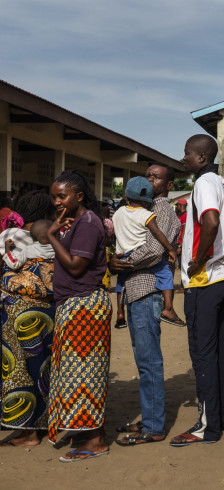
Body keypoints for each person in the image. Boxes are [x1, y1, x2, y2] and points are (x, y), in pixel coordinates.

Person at [169, 134, 224, 446]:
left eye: (187, 153)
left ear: (201, 157)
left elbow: (211, 222)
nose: (184, 158)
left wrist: (198, 260)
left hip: (206, 277)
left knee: (202, 353)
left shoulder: (204, 183)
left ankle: (206, 426)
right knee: (219, 351)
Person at [110, 163, 181, 446]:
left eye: (156, 177)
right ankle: (151, 417)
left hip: (145, 288)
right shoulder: (139, 210)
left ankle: (154, 427)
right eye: (148, 175)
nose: (150, 180)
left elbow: (154, 250)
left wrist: (121, 263)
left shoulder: (161, 211)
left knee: (149, 361)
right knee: (144, 359)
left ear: (168, 185)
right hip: (135, 288)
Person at [46, 169, 112, 462]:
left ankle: (96, 439)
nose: (57, 202)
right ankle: (85, 430)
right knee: (74, 375)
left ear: (79, 196)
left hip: (84, 307)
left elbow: (75, 266)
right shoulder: (78, 222)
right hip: (75, 306)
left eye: (62, 196)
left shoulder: (87, 223)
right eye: (54, 197)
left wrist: (51, 235)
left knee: (85, 376)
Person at [0, 191, 56, 447]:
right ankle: (44, 423)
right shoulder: (54, 240)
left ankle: (27, 432)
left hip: (15, 314)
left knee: (17, 371)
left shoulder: (12, 236)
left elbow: (8, 265)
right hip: (47, 313)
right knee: (43, 367)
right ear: (46, 213)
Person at [112, 177, 184, 327]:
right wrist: (170, 249)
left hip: (121, 254)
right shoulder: (146, 214)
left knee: (120, 282)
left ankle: (120, 312)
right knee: (164, 271)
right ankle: (169, 308)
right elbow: (157, 233)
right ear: (147, 200)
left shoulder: (117, 213)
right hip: (139, 252)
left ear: (126, 195)